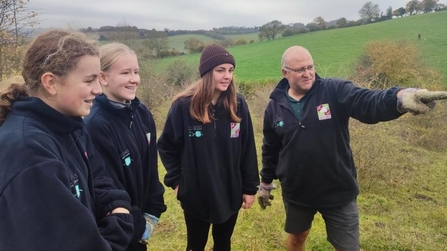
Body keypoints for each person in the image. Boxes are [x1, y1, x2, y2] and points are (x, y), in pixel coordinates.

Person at [258, 45, 440, 251]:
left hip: (338, 190)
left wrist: (400, 96)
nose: (308, 73)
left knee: (348, 247)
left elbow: (368, 102)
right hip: (297, 191)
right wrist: (265, 183)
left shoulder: (334, 90)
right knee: (297, 237)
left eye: (310, 67)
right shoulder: (275, 106)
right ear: (285, 73)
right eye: (300, 70)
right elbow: (271, 148)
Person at [0, 30, 134, 250]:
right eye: (89, 80)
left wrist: (115, 204)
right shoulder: (30, 155)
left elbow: (98, 177)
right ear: (51, 82)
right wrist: (121, 223)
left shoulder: (69, 126)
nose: (98, 90)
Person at [157, 44, 260, 251]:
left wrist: (249, 188)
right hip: (196, 194)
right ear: (206, 73)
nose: (227, 76)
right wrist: (177, 182)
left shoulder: (237, 104)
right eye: (220, 70)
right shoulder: (184, 106)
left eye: (230, 70)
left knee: (223, 244)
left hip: (230, 192)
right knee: (195, 245)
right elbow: (166, 146)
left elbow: (248, 148)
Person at [84, 43, 167, 251]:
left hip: (140, 225)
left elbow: (151, 168)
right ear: (103, 78)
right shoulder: (95, 125)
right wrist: (136, 225)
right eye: (125, 73)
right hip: (117, 232)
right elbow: (107, 187)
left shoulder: (142, 113)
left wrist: (153, 212)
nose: (134, 79)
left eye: (136, 72)